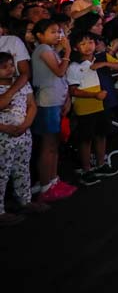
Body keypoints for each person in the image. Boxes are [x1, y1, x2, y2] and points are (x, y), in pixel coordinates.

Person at [30, 19, 77, 202]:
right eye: (52, 32)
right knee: (48, 146)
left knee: (53, 144)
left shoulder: (48, 50)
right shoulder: (42, 50)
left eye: (58, 31)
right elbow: (59, 71)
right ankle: (45, 184)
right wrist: (68, 53)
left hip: (54, 101)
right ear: (40, 36)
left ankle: (52, 180)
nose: (58, 35)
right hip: (47, 102)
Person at [66, 32, 118, 186]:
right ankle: (86, 169)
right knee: (86, 139)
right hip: (85, 107)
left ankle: (101, 164)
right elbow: (73, 90)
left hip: (100, 105)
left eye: (90, 42)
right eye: (83, 43)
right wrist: (94, 95)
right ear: (76, 47)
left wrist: (105, 64)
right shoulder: (74, 67)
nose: (88, 46)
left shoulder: (100, 60)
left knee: (101, 134)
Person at [0, 52, 47, 225]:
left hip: (23, 133)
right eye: (4, 67)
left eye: (11, 65)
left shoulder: (23, 84)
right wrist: (6, 128)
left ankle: (25, 200)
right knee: (1, 172)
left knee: (22, 167)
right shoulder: (17, 85)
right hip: (3, 136)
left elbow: (31, 105)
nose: (10, 70)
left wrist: (25, 125)